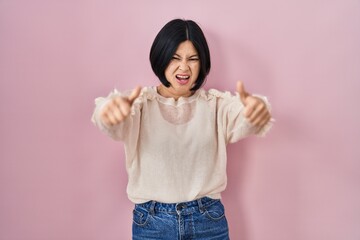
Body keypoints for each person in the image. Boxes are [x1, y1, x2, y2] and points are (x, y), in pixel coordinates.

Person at [92, 19, 273, 240]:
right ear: (161, 58)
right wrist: (109, 112)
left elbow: (245, 117)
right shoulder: (138, 104)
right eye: (175, 58)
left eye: (193, 59)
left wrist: (258, 109)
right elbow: (113, 121)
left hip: (208, 221)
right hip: (152, 223)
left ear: (202, 63)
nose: (184, 67)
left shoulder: (216, 105)